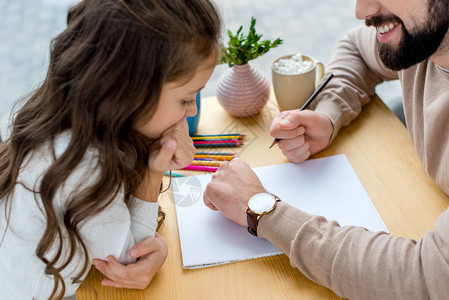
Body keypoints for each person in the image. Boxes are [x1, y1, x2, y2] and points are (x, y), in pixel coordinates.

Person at [203, 0, 449, 299]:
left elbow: (425, 278)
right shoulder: (423, 38)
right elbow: (357, 48)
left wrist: (263, 211)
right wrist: (329, 114)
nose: (361, 11)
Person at [0, 0, 220, 299]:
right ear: (133, 93)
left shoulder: (67, 114)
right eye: (185, 99)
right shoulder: (86, 166)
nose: (192, 110)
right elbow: (128, 259)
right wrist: (152, 171)